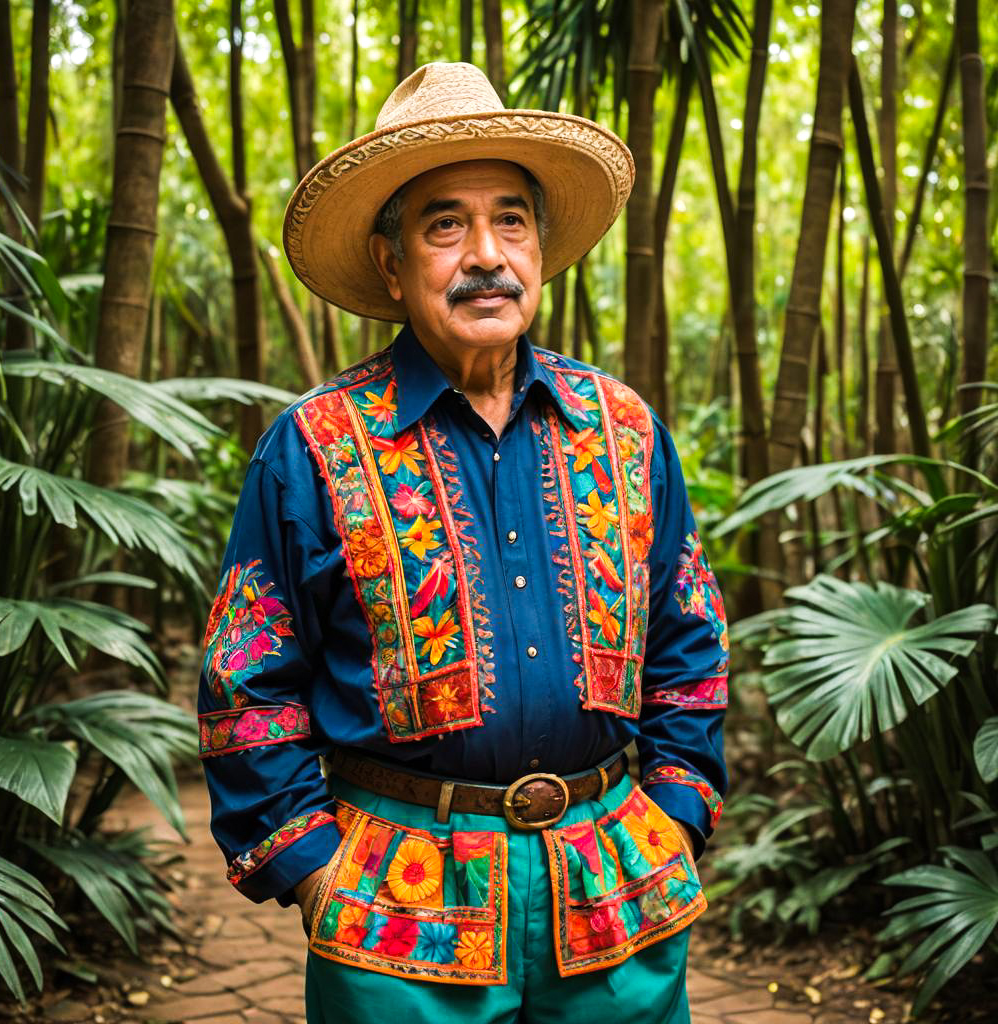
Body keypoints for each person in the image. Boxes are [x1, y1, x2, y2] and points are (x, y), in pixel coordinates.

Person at [198, 62, 728, 1024]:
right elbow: (246, 687)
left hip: (616, 893)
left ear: (541, 249)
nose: (487, 253)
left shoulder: (625, 428)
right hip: (395, 917)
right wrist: (314, 870)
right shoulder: (314, 447)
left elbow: (689, 640)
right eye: (446, 224)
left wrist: (680, 811)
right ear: (393, 264)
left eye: (511, 220)